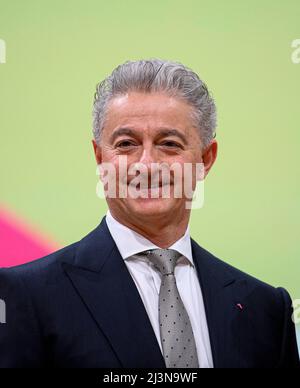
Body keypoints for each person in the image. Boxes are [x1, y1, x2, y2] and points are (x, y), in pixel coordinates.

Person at [0, 59, 299, 368]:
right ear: (100, 157)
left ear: (206, 159)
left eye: (169, 144)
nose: (146, 164)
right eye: (126, 144)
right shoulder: (26, 296)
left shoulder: (266, 310)